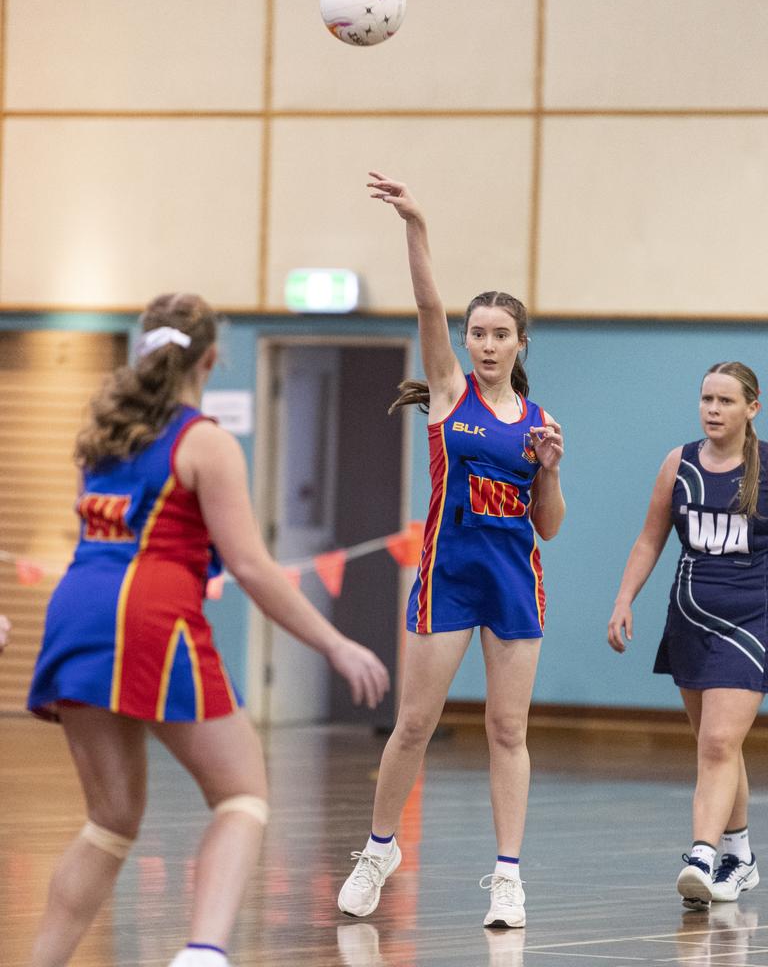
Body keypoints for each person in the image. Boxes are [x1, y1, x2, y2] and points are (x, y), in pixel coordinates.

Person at [25, 293, 390, 967]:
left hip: (74, 608)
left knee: (109, 823)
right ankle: (202, 954)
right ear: (213, 359)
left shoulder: (104, 438)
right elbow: (250, 566)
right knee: (242, 795)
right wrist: (335, 643)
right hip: (147, 611)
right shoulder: (204, 441)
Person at [337, 173, 565, 929]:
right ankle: (378, 850)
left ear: (521, 343)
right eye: (479, 333)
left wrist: (552, 469)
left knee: (508, 731)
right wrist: (417, 224)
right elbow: (428, 304)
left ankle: (507, 877)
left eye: (502, 334)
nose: (488, 343)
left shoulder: (538, 422)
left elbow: (550, 526)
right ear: (467, 341)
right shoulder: (447, 393)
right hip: (447, 579)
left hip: (514, 583)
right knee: (413, 726)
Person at [608, 361, 766, 911]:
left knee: (720, 743)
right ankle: (741, 857)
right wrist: (625, 598)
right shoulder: (678, 464)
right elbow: (651, 540)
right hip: (691, 618)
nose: (713, 411)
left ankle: (702, 853)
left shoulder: (766, 468)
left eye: (725, 401)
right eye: (706, 400)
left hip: (753, 623)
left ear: (752, 407)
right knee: (715, 745)